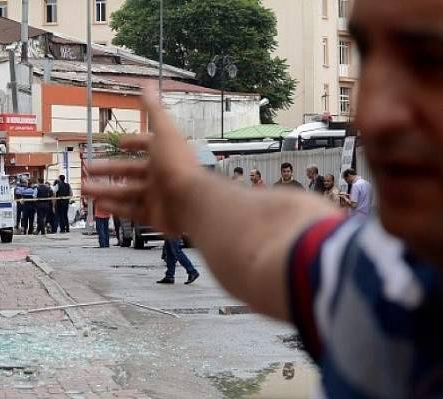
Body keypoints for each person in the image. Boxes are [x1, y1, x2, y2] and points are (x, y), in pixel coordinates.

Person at [84, 6, 443, 392]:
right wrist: (191, 192)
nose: (373, 113)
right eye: (367, 55)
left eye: (428, 60)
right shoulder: (386, 280)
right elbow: (275, 236)